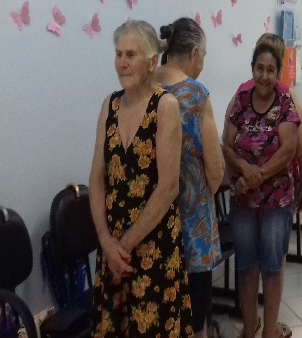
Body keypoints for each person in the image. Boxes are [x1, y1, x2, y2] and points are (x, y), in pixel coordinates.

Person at [89, 20, 193, 337]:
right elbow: (96, 178)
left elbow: (168, 187)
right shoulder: (109, 105)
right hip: (114, 250)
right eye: (118, 53)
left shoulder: (165, 106)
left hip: (153, 249)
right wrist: (107, 243)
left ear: (151, 62)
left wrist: (124, 246)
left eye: (131, 54)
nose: (122, 62)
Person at [223, 42, 299, 338]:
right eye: (259, 68)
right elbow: (227, 145)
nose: (264, 76)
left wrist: (257, 175)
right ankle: (248, 328)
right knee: (246, 266)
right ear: (252, 69)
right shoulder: (241, 99)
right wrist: (244, 168)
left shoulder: (285, 101)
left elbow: (289, 149)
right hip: (243, 199)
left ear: (278, 72)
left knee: (271, 266)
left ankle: (269, 331)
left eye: (270, 70)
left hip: (276, 201)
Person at [155, 17, 224, 338]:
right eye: (205, 55)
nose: (203, 63)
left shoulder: (145, 87)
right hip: (192, 222)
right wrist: (204, 196)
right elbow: (215, 167)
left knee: (160, 312)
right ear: (194, 53)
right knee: (196, 314)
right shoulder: (195, 95)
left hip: (152, 222)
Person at [224, 33, 302, 213]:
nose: (265, 75)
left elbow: (228, 140)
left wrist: (244, 178)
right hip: (264, 197)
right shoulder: (287, 95)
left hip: (246, 192)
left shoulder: (240, 93)